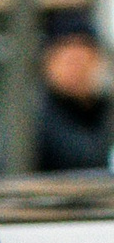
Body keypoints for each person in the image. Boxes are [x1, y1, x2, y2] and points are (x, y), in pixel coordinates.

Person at [35, 12, 114, 174]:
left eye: (83, 60)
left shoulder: (104, 110)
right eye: (69, 61)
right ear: (49, 63)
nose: (76, 70)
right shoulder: (33, 118)